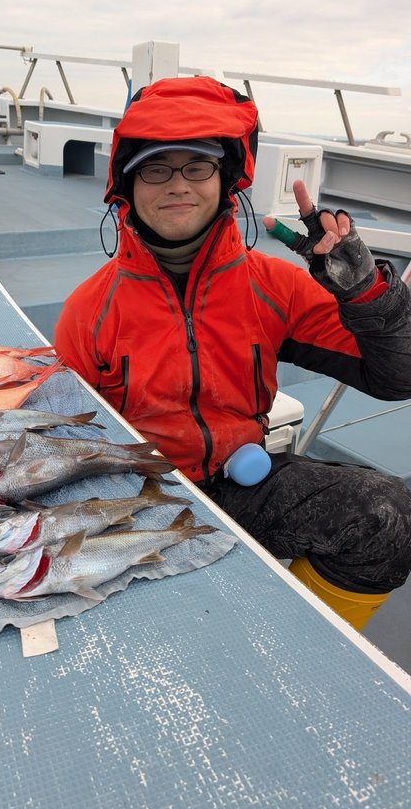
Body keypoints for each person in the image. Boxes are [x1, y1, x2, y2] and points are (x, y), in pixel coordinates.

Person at [54, 75, 411, 631]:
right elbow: (65, 450)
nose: (178, 185)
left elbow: (396, 378)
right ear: (127, 184)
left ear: (225, 179)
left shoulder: (276, 286)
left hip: (244, 484)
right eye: (155, 167)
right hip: (136, 500)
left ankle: (303, 638)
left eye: (197, 166)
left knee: (388, 517)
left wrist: (368, 295)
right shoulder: (89, 311)